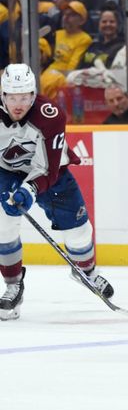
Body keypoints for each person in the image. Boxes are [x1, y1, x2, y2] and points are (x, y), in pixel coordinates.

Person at [0, 64, 114, 321]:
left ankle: (86, 271)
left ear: (33, 94)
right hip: (5, 172)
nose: (19, 104)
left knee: (79, 230)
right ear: (3, 95)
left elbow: (48, 168)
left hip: (53, 174)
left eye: (25, 97)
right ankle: (13, 285)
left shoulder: (50, 116)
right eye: (12, 97)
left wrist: (29, 189)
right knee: (3, 226)